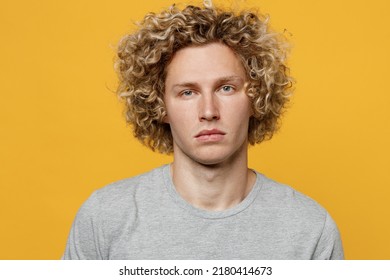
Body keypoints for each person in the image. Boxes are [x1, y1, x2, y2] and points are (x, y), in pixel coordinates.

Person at [62, 1, 343, 260]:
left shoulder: (310, 229)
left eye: (226, 88)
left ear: (256, 98)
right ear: (160, 106)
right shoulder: (103, 218)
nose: (208, 111)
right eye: (187, 92)